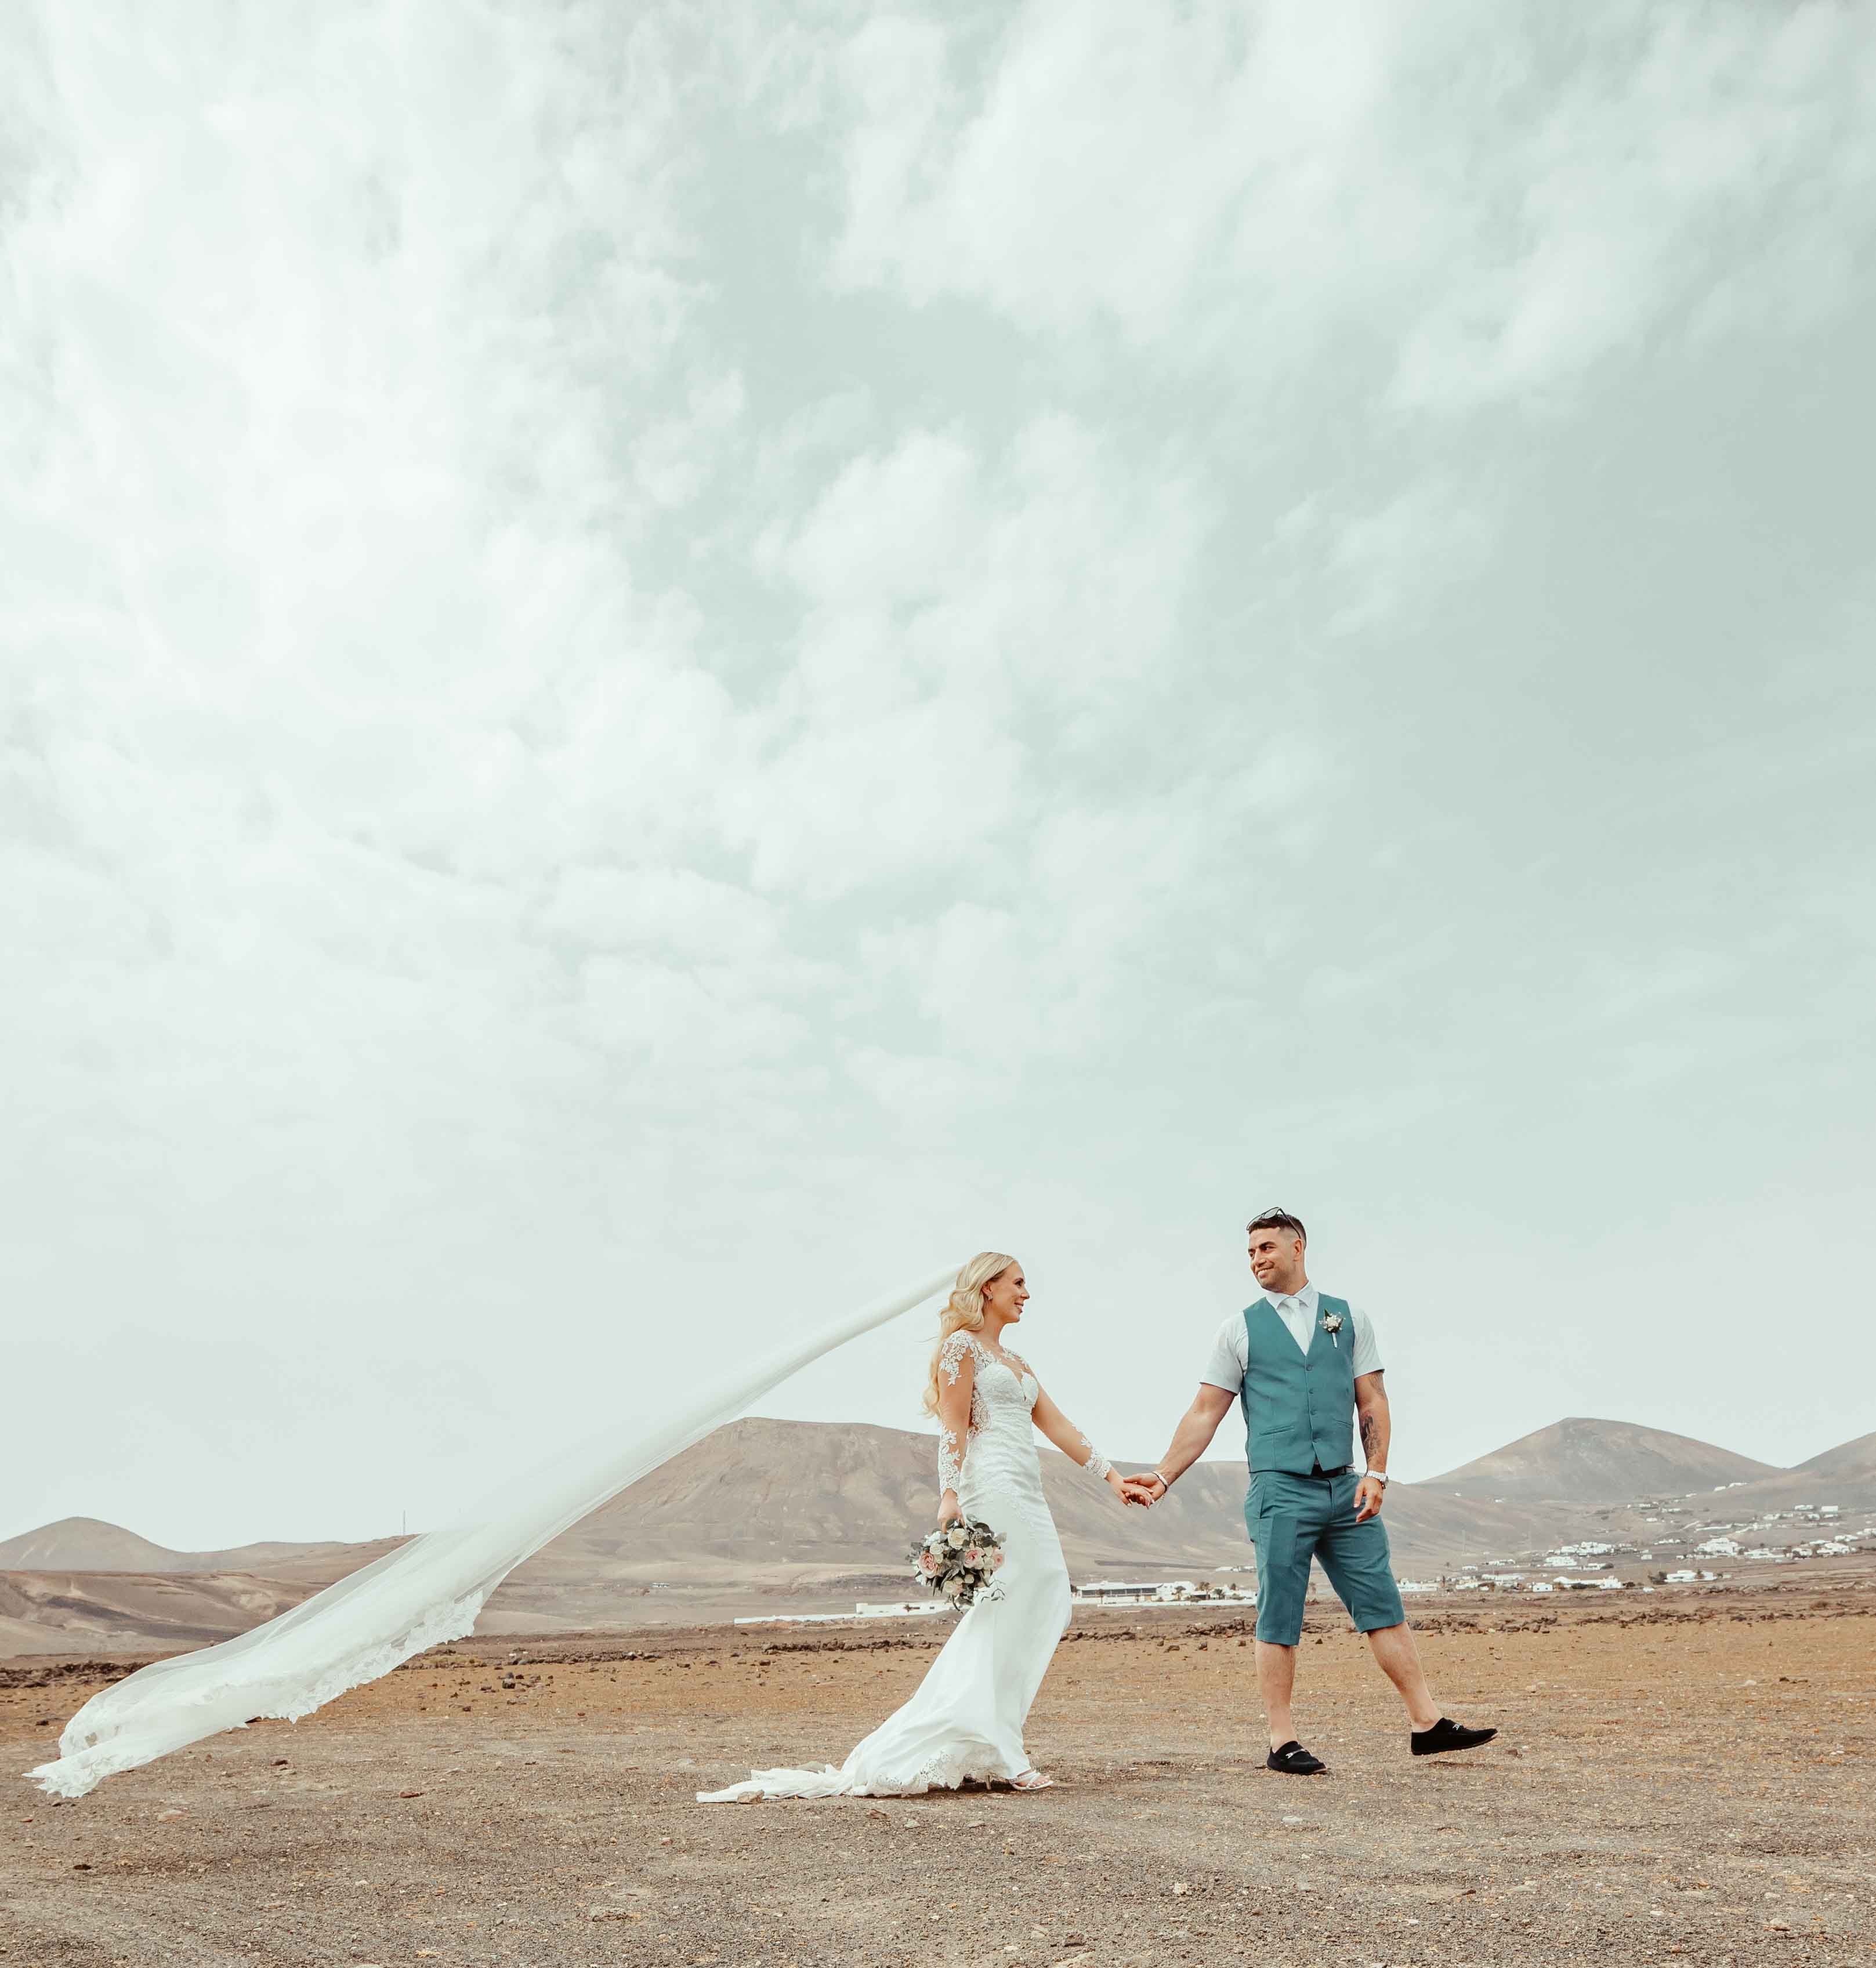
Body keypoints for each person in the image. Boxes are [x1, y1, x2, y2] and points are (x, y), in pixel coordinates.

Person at [699, 1251, 1135, 1800]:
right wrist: (950, 1493)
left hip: (1028, 1491)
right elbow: (954, 1425)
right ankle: (1002, 1749)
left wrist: (1113, 1477)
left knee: (1046, 1597)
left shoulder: (1019, 1362)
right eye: (1019, 1283)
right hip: (991, 1488)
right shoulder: (961, 1348)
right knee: (1006, 1606)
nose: (1027, 1293)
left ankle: (993, 1737)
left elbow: (1059, 1425)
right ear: (989, 1287)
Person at [1124, 1208, 1495, 1775]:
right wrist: (1166, 1473)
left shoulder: (1348, 1319)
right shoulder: (1239, 1329)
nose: (1257, 1260)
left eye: (1267, 1248)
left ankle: (1427, 1724)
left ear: (1299, 1248)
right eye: (1250, 1253)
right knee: (1281, 1613)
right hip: (1279, 1489)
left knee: (1381, 1603)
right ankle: (1282, 1740)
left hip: (1346, 1488)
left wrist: (1377, 1472)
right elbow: (1205, 1411)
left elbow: (1371, 1400)